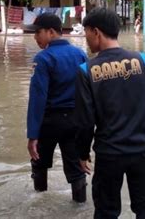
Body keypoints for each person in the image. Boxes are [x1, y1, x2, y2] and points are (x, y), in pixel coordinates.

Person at [74, 8, 145, 218]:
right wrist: (144, 131)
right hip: (143, 151)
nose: (86, 38)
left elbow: (85, 122)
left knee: (106, 211)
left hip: (109, 154)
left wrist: (82, 154)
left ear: (96, 32)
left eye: (86, 32)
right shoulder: (144, 61)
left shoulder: (86, 70)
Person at [25, 13, 88, 203]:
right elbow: (87, 94)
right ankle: (80, 206)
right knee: (77, 168)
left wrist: (32, 135)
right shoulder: (81, 54)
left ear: (51, 32)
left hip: (50, 122)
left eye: (38, 33)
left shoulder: (43, 58)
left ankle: (38, 203)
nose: (35, 37)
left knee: (39, 163)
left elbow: (37, 99)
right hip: (75, 121)